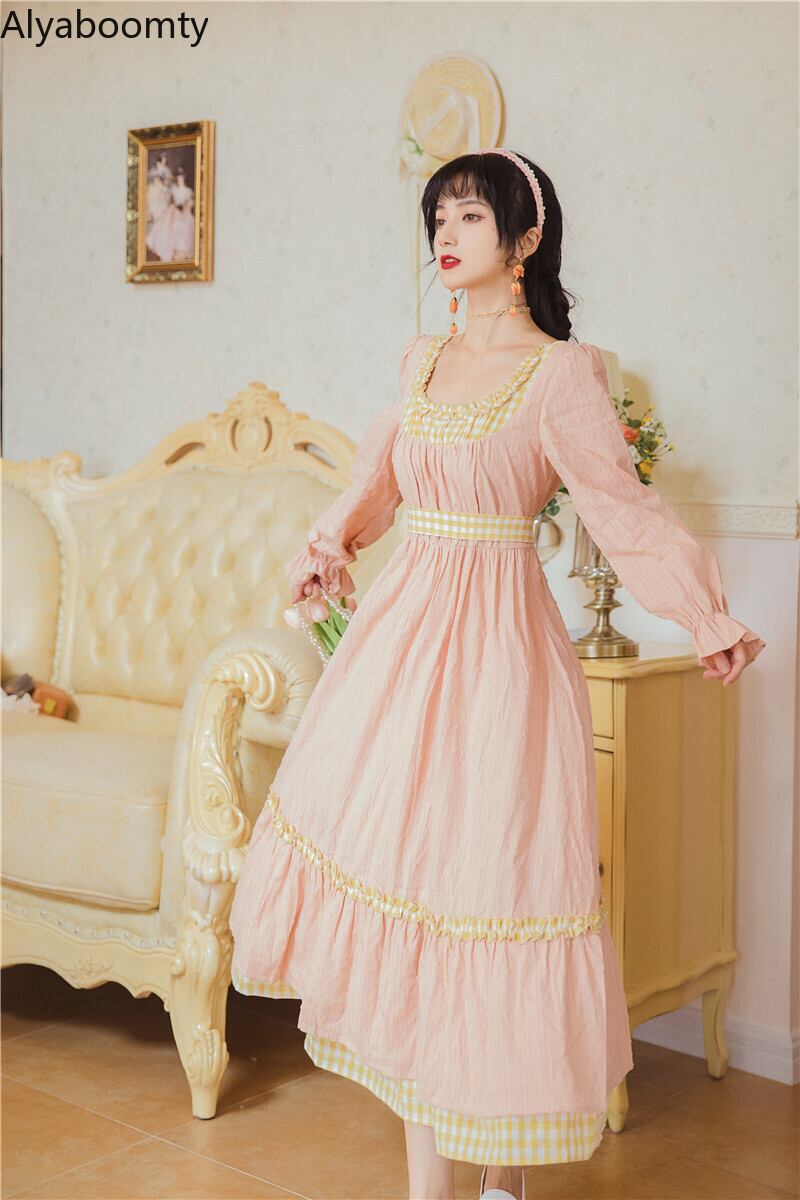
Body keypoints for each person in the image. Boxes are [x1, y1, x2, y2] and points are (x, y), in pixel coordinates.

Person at [229, 148, 766, 1200]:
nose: (445, 232)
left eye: (470, 215)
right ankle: (436, 1190)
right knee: (411, 899)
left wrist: (701, 612)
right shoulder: (421, 361)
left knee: (492, 890)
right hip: (399, 649)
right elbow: (377, 479)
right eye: (438, 214)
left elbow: (620, 509)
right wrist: (329, 542)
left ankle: (503, 1186)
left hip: (498, 658)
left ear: (523, 240)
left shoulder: (563, 374)